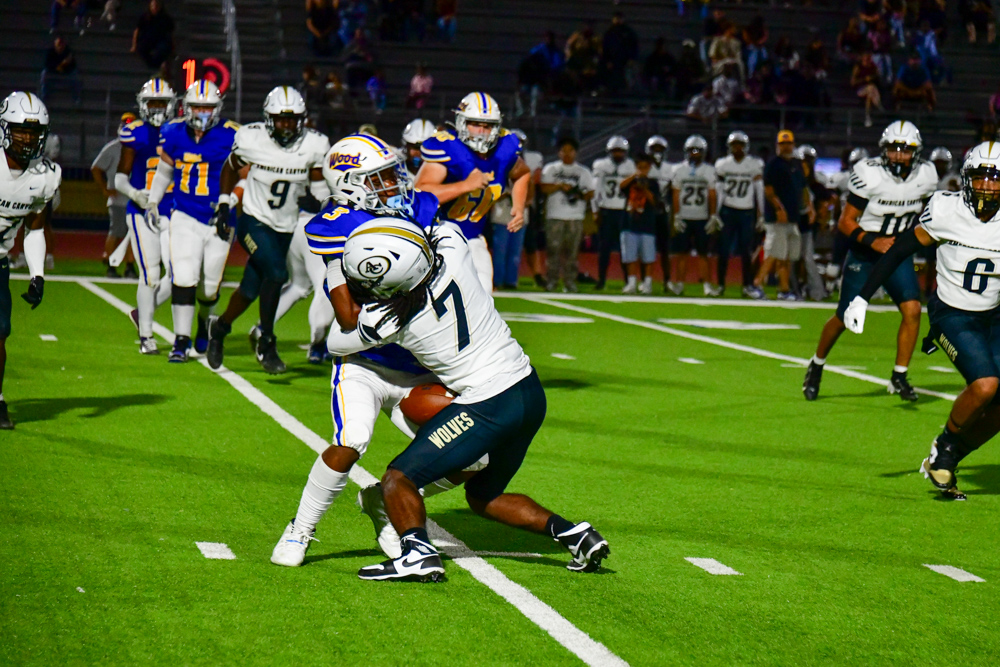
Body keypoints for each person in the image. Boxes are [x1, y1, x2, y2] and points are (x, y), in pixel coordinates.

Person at [330, 219, 609, 581]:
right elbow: (442, 225)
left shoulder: (387, 319)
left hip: (489, 404)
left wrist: (334, 267)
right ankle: (575, 535)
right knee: (484, 496)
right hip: (528, 390)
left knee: (398, 478)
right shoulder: (453, 251)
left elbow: (336, 342)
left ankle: (417, 554)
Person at [270, 135, 483, 566]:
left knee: (475, 455)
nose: (395, 184)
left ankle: (383, 499)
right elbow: (348, 317)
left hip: (419, 364)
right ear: (350, 184)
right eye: (381, 178)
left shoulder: (417, 208)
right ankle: (300, 529)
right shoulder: (336, 225)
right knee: (352, 440)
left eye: (391, 174)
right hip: (365, 362)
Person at [843, 141, 1000, 500]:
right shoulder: (946, 210)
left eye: (996, 179)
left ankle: (948, 458)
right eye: (981, 177)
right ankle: (944, 445)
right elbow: (900, 249)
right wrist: (862, 297)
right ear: (966, 179)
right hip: (953, 313)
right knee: (985, 385)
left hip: (994, 315)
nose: (987, 186)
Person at [802, 121, 937, 401]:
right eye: (893, 148)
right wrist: (872, 241)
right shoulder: (870, 174)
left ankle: (899, 375)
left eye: (905, 149)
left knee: (913, 310)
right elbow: (846, 221)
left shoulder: (926, 175)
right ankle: (816, 364)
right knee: (844, 317)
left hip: (896, 253)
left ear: (917, 152)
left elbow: (927, 215)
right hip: (865, 252)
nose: (898, 155)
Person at [206, 87, 331, 374]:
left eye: (292, 120)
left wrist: (326, 205)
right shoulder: (253, 139)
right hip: (253, 220)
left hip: (285, 226)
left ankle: (220, 327)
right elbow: (230, 167)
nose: (286, 126)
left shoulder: (313, 145)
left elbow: (319, 187)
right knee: (277, 273)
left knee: (250, 290)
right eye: (280, 119)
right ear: (268, 119)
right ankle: (267, 341)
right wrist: (224, 204)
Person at [145, 79, 240, 363]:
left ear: (217, 108)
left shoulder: (232, 134)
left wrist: (228, 204)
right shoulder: (174, 132)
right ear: (186, 107)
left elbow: (245, 178)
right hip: (185, 214)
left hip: (219, 218)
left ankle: (203, 321)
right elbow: (164, 171)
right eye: (197, 106)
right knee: (184, 277)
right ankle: (181, 340)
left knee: (209, 289)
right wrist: (153, 201)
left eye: (207, 107)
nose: (201, 112)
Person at [415, 92, 530, 291]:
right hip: (432, 236)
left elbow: (522, 173)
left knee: (483, 295)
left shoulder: (504, 149)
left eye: (488, 126)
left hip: (472, 237)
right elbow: (420, 194)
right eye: (475, 124)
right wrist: (464, 186)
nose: (481, 131)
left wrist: (518, 207)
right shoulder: (449, 148)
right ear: (461, 123)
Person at [0, 92, 60, 429]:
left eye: (34, 132)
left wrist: (37, 274)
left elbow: (35, 228)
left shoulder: (45, 176)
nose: (27, 139)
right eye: (21, 130)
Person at [115, 79, 177, 355]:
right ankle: (146, 335)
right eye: (153, 103)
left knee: (179, 274)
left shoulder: (180, 131)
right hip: (142, 211)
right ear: (143, 105)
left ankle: (142, 312)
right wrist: (135, 194)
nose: (158, 108)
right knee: (151, 275)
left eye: (162, 103)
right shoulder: (136, 133)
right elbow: (119, 178)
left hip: (174, 210)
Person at [753, 130, 812, 300]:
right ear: (777, 145)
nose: (786, 147)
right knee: (774, 253)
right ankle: (756, 284)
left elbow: (803, 187)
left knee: (786, 256)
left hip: (793, 217)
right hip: (777, 218)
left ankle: (784, 289)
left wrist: (810, 208)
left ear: (793, 144)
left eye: (788, 143)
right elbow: (768, 190)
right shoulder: (773, 164)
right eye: (782, 144)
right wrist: (779, 209)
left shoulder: (797, 164)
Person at [539, 137, 594, 292]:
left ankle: (570, 282)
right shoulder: (551, 168)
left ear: (576, 152)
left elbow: (590, 192)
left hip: (575, 217)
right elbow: (544, 188)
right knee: (553, 250)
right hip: (555, 215)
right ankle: (552, 281)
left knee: (572, 253)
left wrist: (578, 194)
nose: (567, 154)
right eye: (564, 150)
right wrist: (560, 186)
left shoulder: (583, 171)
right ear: (559, 152)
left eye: (571, 150)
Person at [714, 131, 765, 299]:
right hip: (728, 210)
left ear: (746, 146)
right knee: (723, 250)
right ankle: (721, 285)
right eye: (734, 145)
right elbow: (719, 191)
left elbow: (759, 191)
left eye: (740, 145)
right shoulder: (723, 164)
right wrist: (716, 213)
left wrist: (761, 214)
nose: (737, 148)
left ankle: (747, 285)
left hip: (746, 211)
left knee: (746, 251)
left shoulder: (753, 164)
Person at [668, 135, 719, 296]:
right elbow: (676, 194)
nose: (695, 154)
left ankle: (707, 286)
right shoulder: (679, 169)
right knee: (682, 253)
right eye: (692, 150)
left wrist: (713, 215)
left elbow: (712, 194)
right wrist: (676, 215)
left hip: (702, 217)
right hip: (684, 216)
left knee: (704, 254)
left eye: (698, 151)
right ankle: (680, 284)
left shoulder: (709, 170)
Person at [91, 112, 137, 279]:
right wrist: (105, 188)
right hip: (118, 199)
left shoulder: (139, 147)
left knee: (133, 234)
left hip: (134, 199)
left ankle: (129, 266)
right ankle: (111, 264)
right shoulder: (113, 148)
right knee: (116, 232)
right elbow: (96, 168)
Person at [490, 128, 537, 291]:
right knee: (500, 250)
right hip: (501, 213)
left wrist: (522, 201)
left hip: (518, 214)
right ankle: (497, 280)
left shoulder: (525, 166)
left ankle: (511, 281)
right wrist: (504, 195)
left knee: (515, 251)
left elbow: (530, 192)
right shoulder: (497, 163)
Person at [591, 136, 636, 290]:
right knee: (604, 248)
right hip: (607, 209)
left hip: (624, 210)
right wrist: (595, 210)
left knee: (626, 249)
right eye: (615, 151)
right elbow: (596, 189)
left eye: (620, 151)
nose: (618, 154)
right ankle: (601, 280)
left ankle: (628, 281)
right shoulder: (601, 165)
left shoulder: (631, 165)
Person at [619, 153, 660, 295]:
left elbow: (655, 202)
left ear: (649, 168)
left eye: (645, 167)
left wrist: (645, 189)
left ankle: (647, 283)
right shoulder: (631, 181)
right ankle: (631, 283)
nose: (642, 170)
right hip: (629, 223)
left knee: (648, 257)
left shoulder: (653, 183)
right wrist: (634, 176)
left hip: (647, 224)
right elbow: (621, 186)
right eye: (640, 167)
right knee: (630, 256)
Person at [646, 135, 673, 293]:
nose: (657, 152)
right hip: (648, 213)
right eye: (654, 149)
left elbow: (673, 190)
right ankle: (646, 280)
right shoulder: (645, 168)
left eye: (660, 149)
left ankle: (667, 280)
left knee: (665, 250)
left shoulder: (670, 169)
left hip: (663, 212)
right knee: (647, 249)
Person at [131, 0, 175, 72]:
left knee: (164, 49)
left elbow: (171, 33)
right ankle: (152, 65)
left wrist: (173, 46)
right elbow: (137, 31)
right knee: (141, 48)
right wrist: (134, 45)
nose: (154, 8)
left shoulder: (166, 18)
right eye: (153, 6)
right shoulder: (144, 17)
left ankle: (157, 66)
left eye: (156, 6)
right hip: (147, 39)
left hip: (161, 40)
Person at [40, 35, 82, 106]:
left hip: (66, 75)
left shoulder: (68, 52)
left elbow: (72, 67)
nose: (60, 47)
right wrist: (62, 65)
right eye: (58, 45)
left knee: (75, 75)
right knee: (44, 73)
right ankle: (44, 98)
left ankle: (77, 99)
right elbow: (48, 66)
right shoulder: (50, 52)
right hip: (53, 75)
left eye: (62, 45)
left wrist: (61, 67)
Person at [851, 51, 883, 128]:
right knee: (871, 87)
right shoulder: (858, 67)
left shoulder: (873, 66)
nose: (867, 59)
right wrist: (865, 79)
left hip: (871, 90)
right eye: (866, 57)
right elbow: (853, 82)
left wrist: (875, 76)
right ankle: (878, 105)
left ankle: (868, 117)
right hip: (860, 89)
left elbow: (877, 78)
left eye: (869, 57)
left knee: (870, 94)